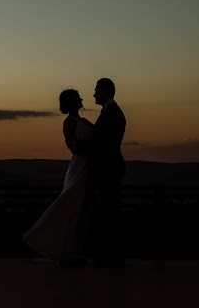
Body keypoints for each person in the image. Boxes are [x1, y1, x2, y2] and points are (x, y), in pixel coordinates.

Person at [22, 89, 94, 262]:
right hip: (80, 166)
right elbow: (73, 147)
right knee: (73, 205)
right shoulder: (69, 123)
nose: (81, 99)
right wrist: (89, 150)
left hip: (88, 165)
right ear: (72, 102)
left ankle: (76, 247)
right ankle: (67, 248)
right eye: (78, 98)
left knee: (81, 208)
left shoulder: (83, 121)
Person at [71, 77, 126, 267]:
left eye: (96, 90)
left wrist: (82, 144)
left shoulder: (112, 113)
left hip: (108, 168)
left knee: (110, 211)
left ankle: (111, 256)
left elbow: (104, 142)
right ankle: (109, 255)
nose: (93, 94)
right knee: (109, 210)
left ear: (105, 91)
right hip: (109, 167)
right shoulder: (111, 112)